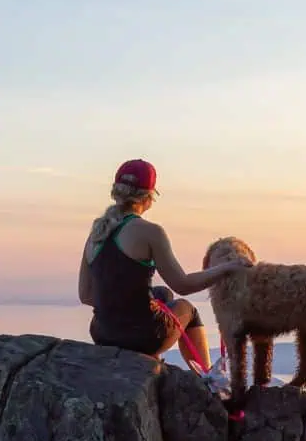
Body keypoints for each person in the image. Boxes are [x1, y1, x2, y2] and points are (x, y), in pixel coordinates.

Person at [78, 159, 246, 371]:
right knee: (188, 310)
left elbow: (86, 295)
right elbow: (183, 285)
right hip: (144, 336)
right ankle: (207, 378)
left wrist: (119, 305)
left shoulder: (97, 232)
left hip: (102, 333)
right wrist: (225, 269)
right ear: (149, 196)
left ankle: (150, 361)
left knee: (163, 294)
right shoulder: (150, 232)